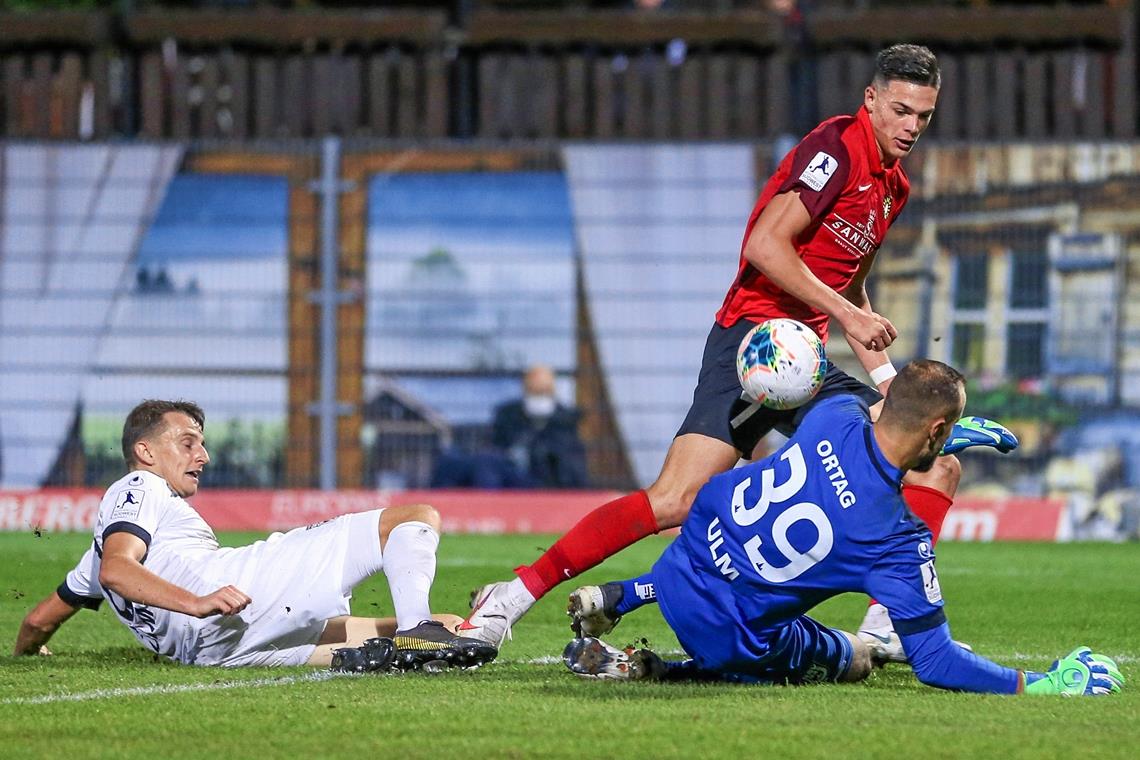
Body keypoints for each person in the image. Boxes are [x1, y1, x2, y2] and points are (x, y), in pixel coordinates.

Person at [459, 44, 1013, 652]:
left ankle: (885, 629)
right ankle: (509, 597)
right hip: (753, 346)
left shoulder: (893, 187)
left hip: (808, 361)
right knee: (673, 501)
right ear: (872, 99)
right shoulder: (835, 149)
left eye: (924, 116)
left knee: (934, 463)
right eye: (902, 110)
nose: (911, 126)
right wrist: (846, 314)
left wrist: (886, 384)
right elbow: (765, 247)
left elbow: (852, 281)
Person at [561, 361, 1123, 697]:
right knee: (856, 658)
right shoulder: (897, 540)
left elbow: (876, 420)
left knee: (740, 552)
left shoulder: (836, 416)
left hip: (678, 567)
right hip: (722, 634)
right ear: (938, 430)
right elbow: (937, 663)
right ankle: (671, 672)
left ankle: (624, 593)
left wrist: (933, 436)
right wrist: (1039, 684)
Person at [13, 399, 497, 672]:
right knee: (413, 518)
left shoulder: (88, 563)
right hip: (229, 601)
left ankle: (414, 637)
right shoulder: (139, 485)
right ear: (145, 451)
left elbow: (37, 621)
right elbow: (120, 569)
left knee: (449, 626)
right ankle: (418, 630)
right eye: (188, 443)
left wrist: (30, 654)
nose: (202, 456)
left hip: (220, 651)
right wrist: (195, 601)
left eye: (202, 443)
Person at [431, 364, 588, 489]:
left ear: (553, 391)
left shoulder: (566, 421)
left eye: (542, 391)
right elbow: (497, 445)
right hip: (510, 475)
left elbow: (570, 468)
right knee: (472, 462)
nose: (538, 397)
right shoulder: (508, 414)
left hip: (541, 483)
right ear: (525, 389)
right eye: (534, 391)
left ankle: (488, 511)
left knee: (488, 465)